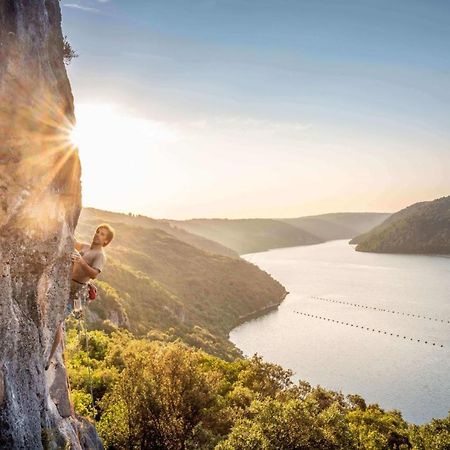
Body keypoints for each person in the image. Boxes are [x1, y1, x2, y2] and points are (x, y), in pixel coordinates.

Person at [45, 223, 115, 370]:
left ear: (106, 241)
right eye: (98, 231)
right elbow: (71, 241)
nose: (97, 234)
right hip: (65, 286)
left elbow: (94, 274)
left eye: (102, 234)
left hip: (76, 293)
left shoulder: (100, 255)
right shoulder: (84, 247)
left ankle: (49, 357)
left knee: (58, 321)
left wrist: (80, 261)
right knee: (50, 313)